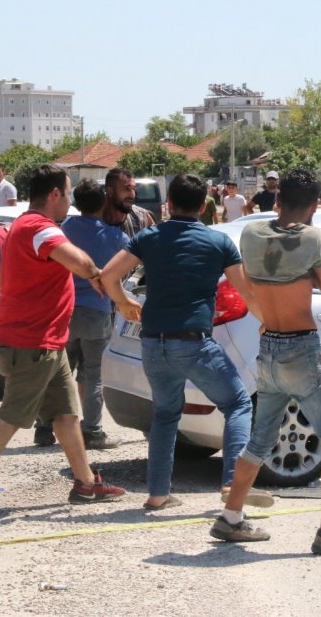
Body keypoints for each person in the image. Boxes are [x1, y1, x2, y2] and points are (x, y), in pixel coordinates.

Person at [214, 168, 321, 555]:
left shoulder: (251, 234)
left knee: (259, 439)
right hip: (303, 348)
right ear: (313, 206)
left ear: (277, 198)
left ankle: (232, 517)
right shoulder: (311, 237)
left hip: (268, 343)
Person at [0, 165, 125, 517]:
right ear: (55, 194)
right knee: (12, 415)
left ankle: (86, 482)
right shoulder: (39, 228)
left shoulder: (29, 227)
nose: (71, 201)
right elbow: (77, 260)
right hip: (32, 343)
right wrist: (96, 275)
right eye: (68, 192)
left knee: (66, 416)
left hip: (48, 342)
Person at [100, 174, 274, 511]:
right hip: (194, 342)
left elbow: (108, 275)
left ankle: (158, 494)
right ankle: (230, 484)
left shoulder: (149, 237)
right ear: (204, 206)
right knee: (238, 404)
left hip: (153, 343)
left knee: (165, 415)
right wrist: (267, 321)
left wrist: (123, 301)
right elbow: (245, 291)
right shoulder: (219, 243)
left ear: (168, 204)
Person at [60, 179, 128, 450]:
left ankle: (46, 427)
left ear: (75, 203)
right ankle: (92, 431)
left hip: (65, 309)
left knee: (61, 373)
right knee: (93, 375)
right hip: (97, 312)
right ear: (103, 203)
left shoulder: (64, 229)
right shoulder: (115, 236)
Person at [103, 167, 155, 238]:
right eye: (127, 188)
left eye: (134, 189)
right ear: (110, 191)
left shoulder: (142, 218)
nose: (132, 195)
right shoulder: (93, 219)